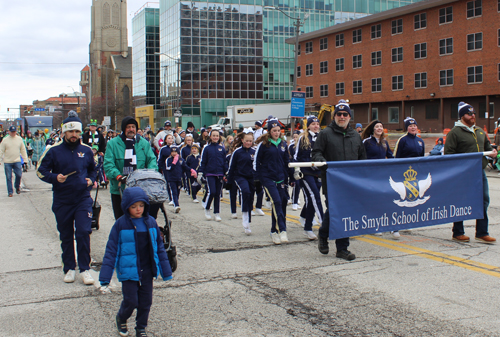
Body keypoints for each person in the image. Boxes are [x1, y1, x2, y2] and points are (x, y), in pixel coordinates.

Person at [99, 187, 173, 337]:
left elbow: (159, 248)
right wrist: (105, 276)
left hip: (147, 269)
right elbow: (111, 250)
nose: (138, 209)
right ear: (127, 207)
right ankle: (121, 317)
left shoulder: (151, 223)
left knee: (146, 302)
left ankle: (141, 327)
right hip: (128, 270)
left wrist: (166, 271)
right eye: (133, 207)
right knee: (131, 301)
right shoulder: (120, 225)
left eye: (141, 205)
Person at [36, 114, 96, 284]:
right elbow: (41, 172)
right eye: (70, 131)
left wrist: (91, 179)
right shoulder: (53, 151)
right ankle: (69, 268)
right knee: (66, 235)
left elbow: (93, 169)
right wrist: (55, 178)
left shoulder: (86, 150)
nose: (74, 134)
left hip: (82, 199)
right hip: (62, 200)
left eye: (77, 131)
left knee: (84, 232)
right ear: (64, 132)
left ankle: (85, 269)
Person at [312, 100, 366, 260]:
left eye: (345, 114)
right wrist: (324, 163)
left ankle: (342, 249)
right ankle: (324, 235)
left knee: (346, 212)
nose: (342, 117)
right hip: (332, 181)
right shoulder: (325, 134)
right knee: (335, 210)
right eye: (339, 114)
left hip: (351, 183)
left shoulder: (356, 136)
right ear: (334, 116)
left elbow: (363, 158)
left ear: (349, 117)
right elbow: (316, 154)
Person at [444, 102, 497, 243]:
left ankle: (481, 232)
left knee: (484, 200)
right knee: (460, 202)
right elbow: (448, 154)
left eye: (473, 113)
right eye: (469, 114)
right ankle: (458, 232)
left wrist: (493, 153)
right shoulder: (454, 133)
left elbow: (488, 148)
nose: (473, 116)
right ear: (462, 116)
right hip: (463, 174)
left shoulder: (479, 131)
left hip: (479, 172)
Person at [104, 116, 158, 220]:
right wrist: (118, 176)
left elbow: (152, 160)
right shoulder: (113, 144)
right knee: (121, 219)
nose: (131, 129)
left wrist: (150, 173)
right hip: (120, 187)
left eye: (133, 127)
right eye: (128, 127)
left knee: (142, 218)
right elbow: (108, 164)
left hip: (140, 188)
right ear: (124, 129)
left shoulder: (144, 143)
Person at [254, 118, 295, 244]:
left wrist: (291, 177)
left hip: (281, 178)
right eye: (274, 131)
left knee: (281, 203)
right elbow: (257, 162)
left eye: (278, 130)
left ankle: (274, 231)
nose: (276, 133)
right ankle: (282, 230)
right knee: (276, 201)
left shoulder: (283, 144)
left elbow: (286, 162)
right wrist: (259, 178)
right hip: (268, 178)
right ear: (269, 131)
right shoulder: (264, 144)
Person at [392, 117, 425, 239]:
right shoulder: (402, 140)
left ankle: (407, 222)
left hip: (415, 176)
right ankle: (394, 227)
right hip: (402, 174)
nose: (413, 127)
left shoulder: (420, 141)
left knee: (411, 200)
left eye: (415, 125)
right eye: (410, 126)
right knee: (400, 199)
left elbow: (421, 159)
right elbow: (397, 157)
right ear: (407, 128)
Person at [361, 120, 393, 236]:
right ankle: (371, 225)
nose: (379, 128)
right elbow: (361, 157)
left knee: (383, 199)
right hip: (370, 175)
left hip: (382, 175)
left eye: (381, 126)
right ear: (373, 129)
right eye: (377, 126)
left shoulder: (384, 142)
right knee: (372, 200)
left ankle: (384, 224)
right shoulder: (367, 142)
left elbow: (390, 156)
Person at [294, 116, 324, 241]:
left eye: (317, 124)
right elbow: (296, 156)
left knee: (312, 201)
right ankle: (324, 223)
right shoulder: (303, 138)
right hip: (306, 173)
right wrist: (296, 171)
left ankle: (308, 228)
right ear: (309, 126)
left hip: (319, 173)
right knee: (315, 196)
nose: (316, 126)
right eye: (313, 124)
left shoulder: (322, 138)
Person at [198, 129, 227, 221]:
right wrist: (201, 173)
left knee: (218, 194)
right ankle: (207, 209)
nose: (215, 137)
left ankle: (217, 213)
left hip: (220, 173)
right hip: (210, 173)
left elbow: (224, 162)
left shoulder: (222, 148)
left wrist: (226, 173)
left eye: (217, 136)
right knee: (212, 192)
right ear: (210, 137)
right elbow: (203, 161)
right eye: (213, 135)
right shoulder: (206, 148)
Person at [164, 145, 197, 213]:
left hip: (179, 178)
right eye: (172, 152)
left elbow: (185, 167)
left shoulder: (181, 160)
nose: (174, 153)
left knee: (178, 192)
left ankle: (176, 201)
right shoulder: (169, 159)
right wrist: (174, 162)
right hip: (171, 178)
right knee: (174, 192)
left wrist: (191, 170)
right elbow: (168, 168)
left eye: (175, 152)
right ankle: (176, 205)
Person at [0, 126, 28, 197]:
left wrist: (25, 159)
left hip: (17, 160)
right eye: (11, 132)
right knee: (9, 177)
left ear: (16, 132)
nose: (13, 133)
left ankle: (17, 186)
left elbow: (23, 150)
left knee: (19, 175)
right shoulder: (5, 140)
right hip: (7, 161)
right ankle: (10, 191)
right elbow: (1, 150)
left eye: (14, 132)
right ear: (9, 132)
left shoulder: (19, 139)